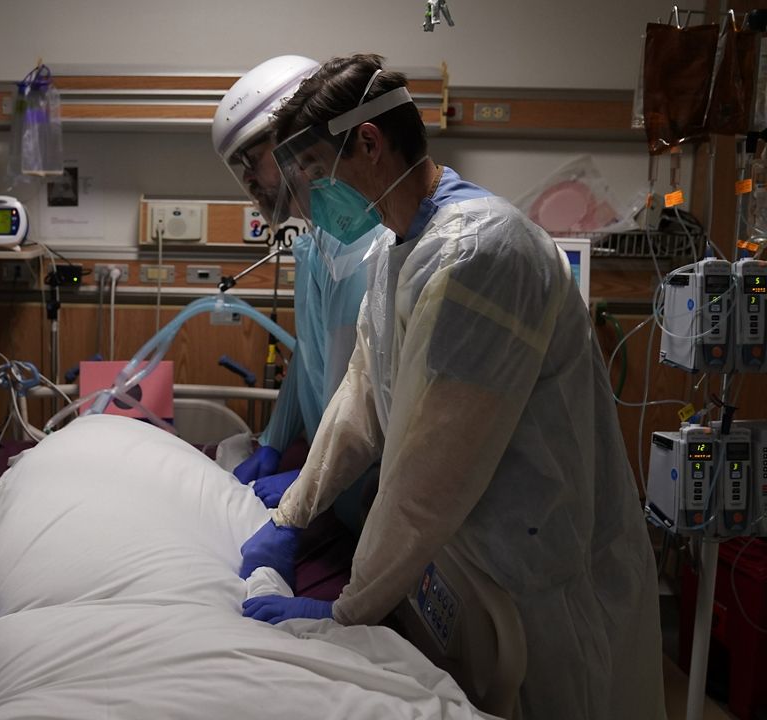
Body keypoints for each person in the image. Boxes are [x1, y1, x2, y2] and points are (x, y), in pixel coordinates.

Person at [236, 55, 664, 719]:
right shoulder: (402, 245)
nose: (308, 201)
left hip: (545, 587)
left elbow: (425, 473)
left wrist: (347, 610)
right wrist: (293, 517)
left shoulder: (480, 255)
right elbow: (362, 399)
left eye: (315, 175)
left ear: (370, 144)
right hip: (475, 569)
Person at [213, 56, 385, 530]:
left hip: (365, 494)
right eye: (238, 167)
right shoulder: (317, 242)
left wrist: (308, 482)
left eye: (252, 158)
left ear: (301, 135)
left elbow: (361, 402)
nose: (248, 179)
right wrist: (273, 440)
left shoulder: (367, 248)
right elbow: (309, 358)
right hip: (335, 491)